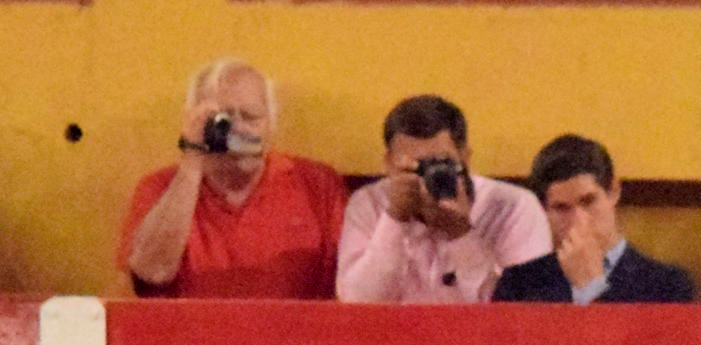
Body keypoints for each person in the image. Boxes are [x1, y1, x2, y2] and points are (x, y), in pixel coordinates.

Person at [118, 59, 345, 299]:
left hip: (298, 335)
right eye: (223, 119)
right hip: (192, 334)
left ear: (271, 124)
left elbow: (350, 289)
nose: (239, 129)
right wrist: (192, 159)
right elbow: (151, 272)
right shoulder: (159, 188)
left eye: (251, 116)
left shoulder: (318, 184)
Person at [337, 95, 550, 304]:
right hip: (394, 337)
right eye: (415, 167)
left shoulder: (514, 207)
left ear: (465, 156)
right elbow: (356, 304)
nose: (428, 176)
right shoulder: (368, 204)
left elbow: (523, 312)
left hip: (480, 338)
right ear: (389, 163)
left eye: (440, 163)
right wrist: (395, 219)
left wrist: (461, 234)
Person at [494, 135, 693, 304]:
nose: (579, 221)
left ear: (613, 192)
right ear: (544, 210)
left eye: (588, 201)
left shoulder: (668, 286)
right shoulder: (518, 286)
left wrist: (590, 290)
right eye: (561, 208)